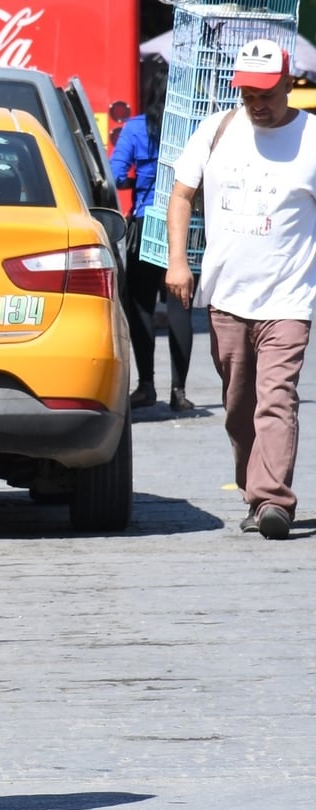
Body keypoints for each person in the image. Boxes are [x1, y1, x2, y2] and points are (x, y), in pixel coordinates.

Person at [166, 38, 316, 540]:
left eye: (266, 94)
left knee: (277, 397)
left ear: (289, 84)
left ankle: (272, 499)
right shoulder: (217, 130)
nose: (257, 104)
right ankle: (253, 488)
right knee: (238, 406)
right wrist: (178, 262)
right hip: (226, 296)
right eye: (248, 94)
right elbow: (181, 196)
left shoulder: (311, 138)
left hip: (289, 298)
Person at [110, 72, 195, 411]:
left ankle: (146, 385)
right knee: (179, 306)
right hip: (185, 224)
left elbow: (116, 175)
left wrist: (139, 181)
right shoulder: (190, 129)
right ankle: (179, 391)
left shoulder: (134, 129)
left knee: (141, 305)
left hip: (147, 224)